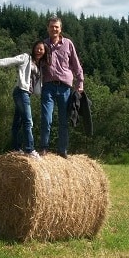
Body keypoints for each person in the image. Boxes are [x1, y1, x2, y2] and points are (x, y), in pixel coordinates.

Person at [0, 41, 51, 159]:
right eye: (37, 48)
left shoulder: (40, 65)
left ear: (44, 52)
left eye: (42, 49)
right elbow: (10, 60)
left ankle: (16, 149)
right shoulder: (26, 58)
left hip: (26, 94)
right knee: (28, 121)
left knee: (17, 123)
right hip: (21, 92)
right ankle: (30, 149)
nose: (39, 51)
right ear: (33, 48)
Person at [40, 16, 84, 158]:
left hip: (65, 88)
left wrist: (80, 82)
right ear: (48, 28)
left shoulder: (68, 44)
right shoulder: (43, 45)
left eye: (56, 27)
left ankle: (62, 151)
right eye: (52, 26)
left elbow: (76, 65)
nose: (54, 29)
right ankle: (44, 149)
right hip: (48, 87)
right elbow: (35, 63)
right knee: (46, 119)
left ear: (60, 29)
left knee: (64, 121)